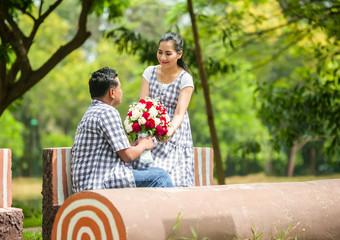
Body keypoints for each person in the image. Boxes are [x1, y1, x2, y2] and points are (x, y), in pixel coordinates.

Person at [71, 67, 174, 193]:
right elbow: (128, 157)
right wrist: (143, 145)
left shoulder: (91, 112)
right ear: (112, 92)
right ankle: (176, 213)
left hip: (89, 182)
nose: (121, 91)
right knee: (160, 176)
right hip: (98, 183)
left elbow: (120, 150)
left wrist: (135, 144)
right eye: (120, 88)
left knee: (154, 172)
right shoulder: (107, 112)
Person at [134, 32, 195, 187]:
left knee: (171, 176)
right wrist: (145, 131)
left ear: (179, 54)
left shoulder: (185, 78)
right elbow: (143, 105)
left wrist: (168, 131)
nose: (163, 58)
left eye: (168, 54)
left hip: (173, 132)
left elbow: (179, 113)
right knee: (145, 171)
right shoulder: (149, 72)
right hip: (149, 129)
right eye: (160, 52)